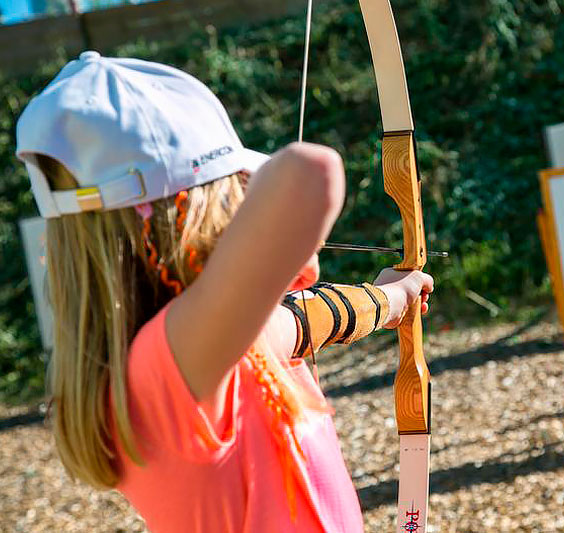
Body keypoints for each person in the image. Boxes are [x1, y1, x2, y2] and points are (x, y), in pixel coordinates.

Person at [15, 51, 433, 532]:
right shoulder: (165, 369)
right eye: (231, 188)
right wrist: (290, 252)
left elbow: (302, 320)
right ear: (185, 210)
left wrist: (393, 298)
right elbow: (311, 172)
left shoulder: (205, 355)